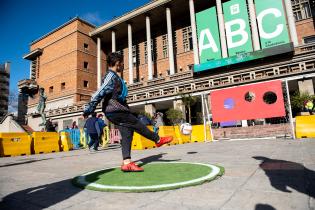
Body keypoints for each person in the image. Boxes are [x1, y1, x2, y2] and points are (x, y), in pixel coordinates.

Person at [83, 52, 173, 172]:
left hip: (117, 109)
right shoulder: (110, 76)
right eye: (121, 62)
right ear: (117, 63)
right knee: (137, 124)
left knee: (127, 133)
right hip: (115, 110)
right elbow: (99, 93)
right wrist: (88, 109)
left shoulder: (114, 76)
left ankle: (127, 162)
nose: (123, 65)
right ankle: (157, 140)